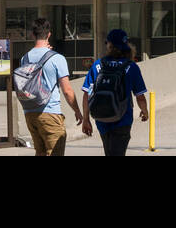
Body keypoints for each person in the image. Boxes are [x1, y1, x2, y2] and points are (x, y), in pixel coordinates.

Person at [16, 17, 83, 156]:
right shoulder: (57, 58)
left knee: (40, 152)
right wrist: (77, 110)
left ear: (32, 34)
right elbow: (67, 90)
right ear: (49, 34)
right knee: (54, 152)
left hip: (30, 113)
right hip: (50, 112)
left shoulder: (25, 58)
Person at [82, 29, 149, 157]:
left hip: (101, 118)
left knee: (109, 152)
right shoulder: (131, 67)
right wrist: (145, 111)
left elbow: (87, 94)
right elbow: (140, 96)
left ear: (109, 45)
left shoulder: (97, 65)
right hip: (123, 119)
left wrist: (86, 119)